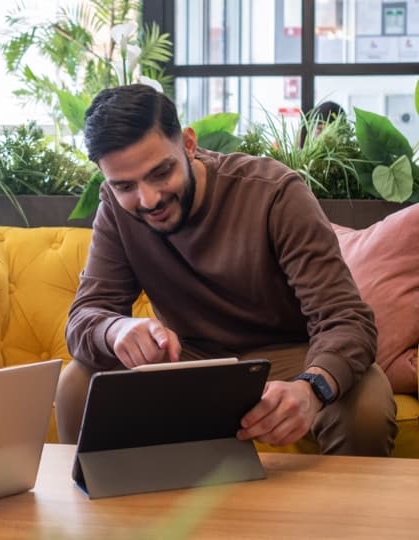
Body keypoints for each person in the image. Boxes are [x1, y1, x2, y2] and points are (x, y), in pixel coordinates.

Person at [57, 84, 397, 456]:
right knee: (79, 381)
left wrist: (311, 388)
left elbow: (345, 319)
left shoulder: (274, 192)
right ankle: (99, 511)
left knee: (366, 403)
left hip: (288, 355)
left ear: (188, 144)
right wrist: (115, 328)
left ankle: (347, 516)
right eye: (125, 185)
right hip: (186, 359)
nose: (148, 199)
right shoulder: (117, 209)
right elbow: (84, 316)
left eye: (160, 173)